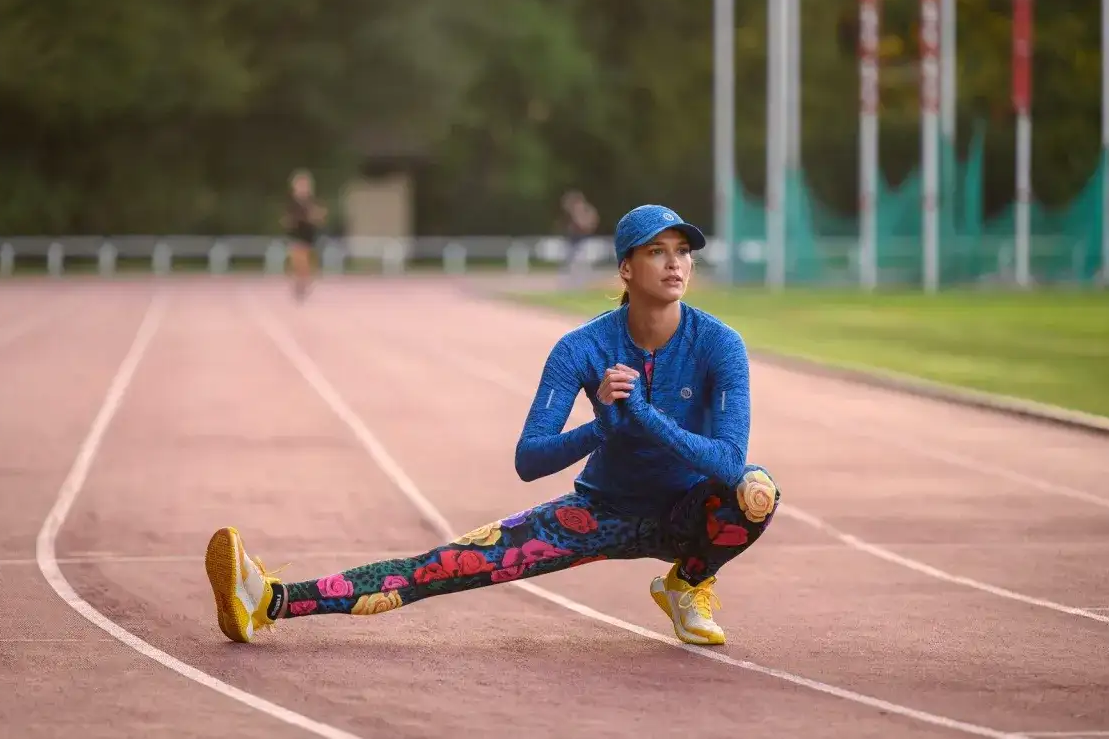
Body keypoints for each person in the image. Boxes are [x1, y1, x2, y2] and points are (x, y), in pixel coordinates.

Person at [206, 204, 780, 647]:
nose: (676, 262)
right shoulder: (581, 348)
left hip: (687, 516)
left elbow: (730, 461)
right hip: (599, 513)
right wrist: (604, 424)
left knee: (756, 491)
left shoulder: (719, 345)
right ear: (627, 268)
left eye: (682, 251)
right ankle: (270, 600)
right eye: (657, 251)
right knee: (443, 566)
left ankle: (688, 584)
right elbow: (529, 459)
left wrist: (643, 416)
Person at [280, 169, 328, 300]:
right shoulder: (291, 202)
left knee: (307, 263)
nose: (302, 188)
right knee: (298, 259)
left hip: (309, 236)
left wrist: (316, 217)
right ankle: (299, 282)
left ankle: (303, 282)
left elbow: (319, 217)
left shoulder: (312, 202)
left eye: (305, 185)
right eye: (299, 185)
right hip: (296, 235)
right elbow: (287, 219)